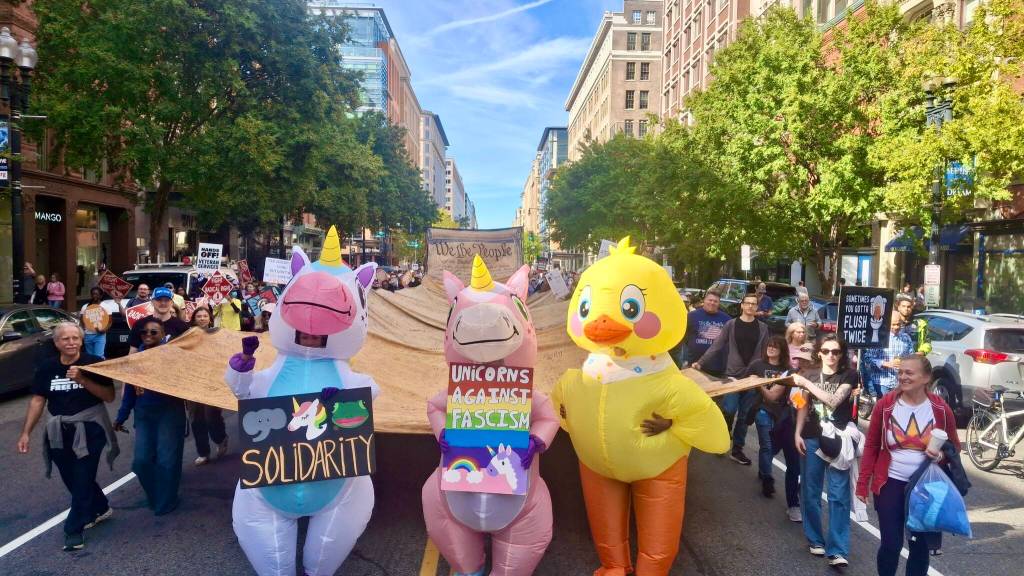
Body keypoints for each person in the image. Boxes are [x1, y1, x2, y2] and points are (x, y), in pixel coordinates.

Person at [17, 322, 118, 551]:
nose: (71, 342)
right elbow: (38, 400)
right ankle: (101, 507)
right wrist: (26, 433)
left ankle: (74, 529)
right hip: (58, 431)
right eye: (66, 339)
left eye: (75, 338)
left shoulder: (94, 364)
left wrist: (83, 380)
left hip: (90, 428)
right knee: (71, 478)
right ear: (56, 343)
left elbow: (109, 396)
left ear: (82, 341)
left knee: (82, 477)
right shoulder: (46, 368)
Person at [857, 354, 960, 576]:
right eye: (900, 372)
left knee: (919, 546)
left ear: (926, 378)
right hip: (890, 483)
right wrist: (863, 483)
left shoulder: (940, 409)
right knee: (891, 545)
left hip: (925, 487)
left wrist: (940, 455)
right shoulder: (885, 405)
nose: (902, 377)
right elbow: (872, 446)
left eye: (909, 373)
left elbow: (954, 448)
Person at [792, 334, 860, 568]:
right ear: (819, 353)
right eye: (826, 351)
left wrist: (806, 384)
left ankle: (838, 550)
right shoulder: (808, 374)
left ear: (842, 354)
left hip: (838, 440)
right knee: (811, 491)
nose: (831, 355)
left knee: (838, 495)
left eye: (836, 352)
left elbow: (833, 401)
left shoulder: (849, 374)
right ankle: (815, 539)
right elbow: (803, 406)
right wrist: (797, 433)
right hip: (812, 437)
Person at [114, 320, 186, 515]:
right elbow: (129, 389)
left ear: (163, 333)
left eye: (154, 332)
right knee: (141, 462)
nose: (148, 334)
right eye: (143, 332)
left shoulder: (173, 355)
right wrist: (122, 415)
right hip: (144, 414)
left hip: (169, 413)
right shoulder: (136, 359)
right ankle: (157, 495)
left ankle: (167, 501)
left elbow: (189, 380)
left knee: (166, 460)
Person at [693, 292, 769, 466]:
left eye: (754, 304)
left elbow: (765, 352)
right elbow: (717, 345)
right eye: (747, 303)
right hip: (732, 375)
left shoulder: (763, 328)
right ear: (742, 306)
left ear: (757, 307)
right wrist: (701, 362)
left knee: (743, 415)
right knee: (729, 408)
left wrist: (766, 372)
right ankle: (724, 436)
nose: (750, 306)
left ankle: (737, 450)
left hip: (752, 377)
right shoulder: (731, 324)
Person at [742, 335, 791, 499]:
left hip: (779, 413)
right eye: (769, 346)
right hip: (761, 409)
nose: (771, 349)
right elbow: (744, 382)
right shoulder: (757, 364)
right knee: (767, 444)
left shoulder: (787, 370)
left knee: (772, 447)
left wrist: (760, 384)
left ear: (781, 350)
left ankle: (763, 470)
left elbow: (774, 396)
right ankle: (767, 481)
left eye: (775, 347)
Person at [185, 306, 228, 465]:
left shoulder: (217, 334)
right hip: (193, 383)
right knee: (196, 419)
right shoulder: (187, 336)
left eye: (205, 316)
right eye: (199, 316)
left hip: (212, 382)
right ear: (194, 319)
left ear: (210, 319)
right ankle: (203, 452)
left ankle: (221, 438)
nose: (202, 318)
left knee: (211, 416)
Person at [675, 288, 730, 370]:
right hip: (693, 364)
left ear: (719, 303)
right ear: (704, 300)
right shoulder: (691, 316)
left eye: (715, 301)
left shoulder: (727, 319)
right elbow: (682, 336)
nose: (712, 303)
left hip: (717, 366)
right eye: (710, 300)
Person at [861, 313, 914, 399]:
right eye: (893, 324)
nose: (896, 327)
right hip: (882, 383)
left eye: (898, 324)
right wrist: (885, 363)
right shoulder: (879, 337)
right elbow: (867, 358)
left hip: (899, 382)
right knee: (884, 410)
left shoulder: (906, 338)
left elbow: (912, 357)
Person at [128, 287, 190, 353]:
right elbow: (133, 352)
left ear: (172, 303)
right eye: (159, 300)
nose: (163, 303)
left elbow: (186, 353)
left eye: (167, 300)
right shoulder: (139, 324)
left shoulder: (182, 326)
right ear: (152, 302)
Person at [79, 288, 123, 359]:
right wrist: (83, 330)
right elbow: (81, 320)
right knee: (89, 356)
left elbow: (110, 321)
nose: (94, 296)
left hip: (100, 336)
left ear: (101, 295)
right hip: (87, 335)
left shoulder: (106, 306)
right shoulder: (85, 307)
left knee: (99, 356)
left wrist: (104, 330)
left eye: (97, 294)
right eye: (93, 294)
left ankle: (98, 369)